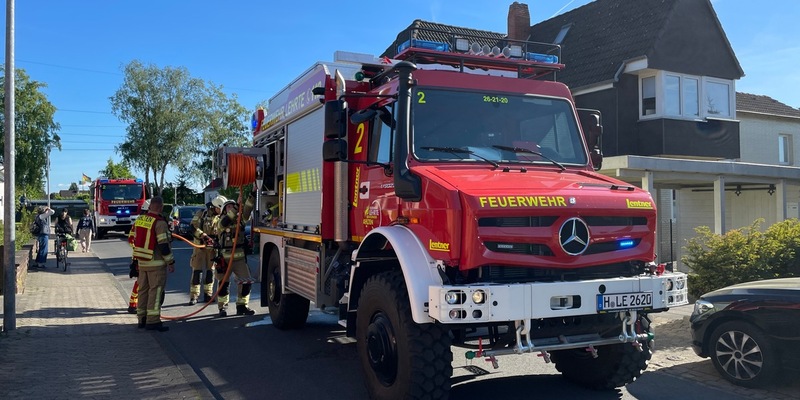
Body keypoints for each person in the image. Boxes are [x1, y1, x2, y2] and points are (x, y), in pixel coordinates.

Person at [130, 196, 175, 332]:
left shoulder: (140, 220)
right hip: (156, 263)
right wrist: (170, 262)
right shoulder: (160, 223)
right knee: (155, 292)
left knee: (143, 290)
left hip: (142, 262)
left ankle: (141, 319)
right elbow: (163, 246)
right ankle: (153, 321)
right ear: (160, 207)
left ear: (150, 207)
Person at [211, 193, 256, 317]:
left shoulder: (240, 221)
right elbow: (226, 221)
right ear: (224, 209)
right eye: (228, 207)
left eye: (232, 206)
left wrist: (251, 195)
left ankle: (242, 306)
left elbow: (247, 209)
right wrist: (236, 205)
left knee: (246, 282)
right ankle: (222, 308)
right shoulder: (221, 221)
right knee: (223, 284)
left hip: (239, 259)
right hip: (224, 259)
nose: (231, 208)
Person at [187, 200, 220, 305]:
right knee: (197, 272)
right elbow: (193, 226)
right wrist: (203, 235)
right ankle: (194, 296)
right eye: (219, 208)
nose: (221, 211)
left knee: (210, 272)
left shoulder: (219, 217)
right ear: (214, 207)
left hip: (212, 250)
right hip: (200, 248)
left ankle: (208, 295)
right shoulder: (201, 214)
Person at [126, 199, 151, 314]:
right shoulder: (146, 222)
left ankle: (133, 304)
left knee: (140, 281)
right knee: (141, 282)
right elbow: (131, 239)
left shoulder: (138, 221)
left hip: (138, 256)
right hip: (144, 257)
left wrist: (137, 250)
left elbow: (131, 239)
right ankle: (135, 304)